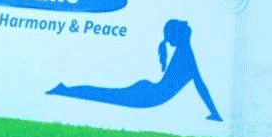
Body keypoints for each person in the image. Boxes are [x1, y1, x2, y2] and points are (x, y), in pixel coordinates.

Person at [47, 19, 222, 121]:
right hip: (149, 95)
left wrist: (214, 112)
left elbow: (201, 86)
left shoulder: (184, 54)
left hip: (149, 94)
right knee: (105, 94)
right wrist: (214, 112)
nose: (168, 42)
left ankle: (66, 89)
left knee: (106, 94)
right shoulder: (185, 54)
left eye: (169, 38)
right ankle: (65, 89)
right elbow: (201, 86)